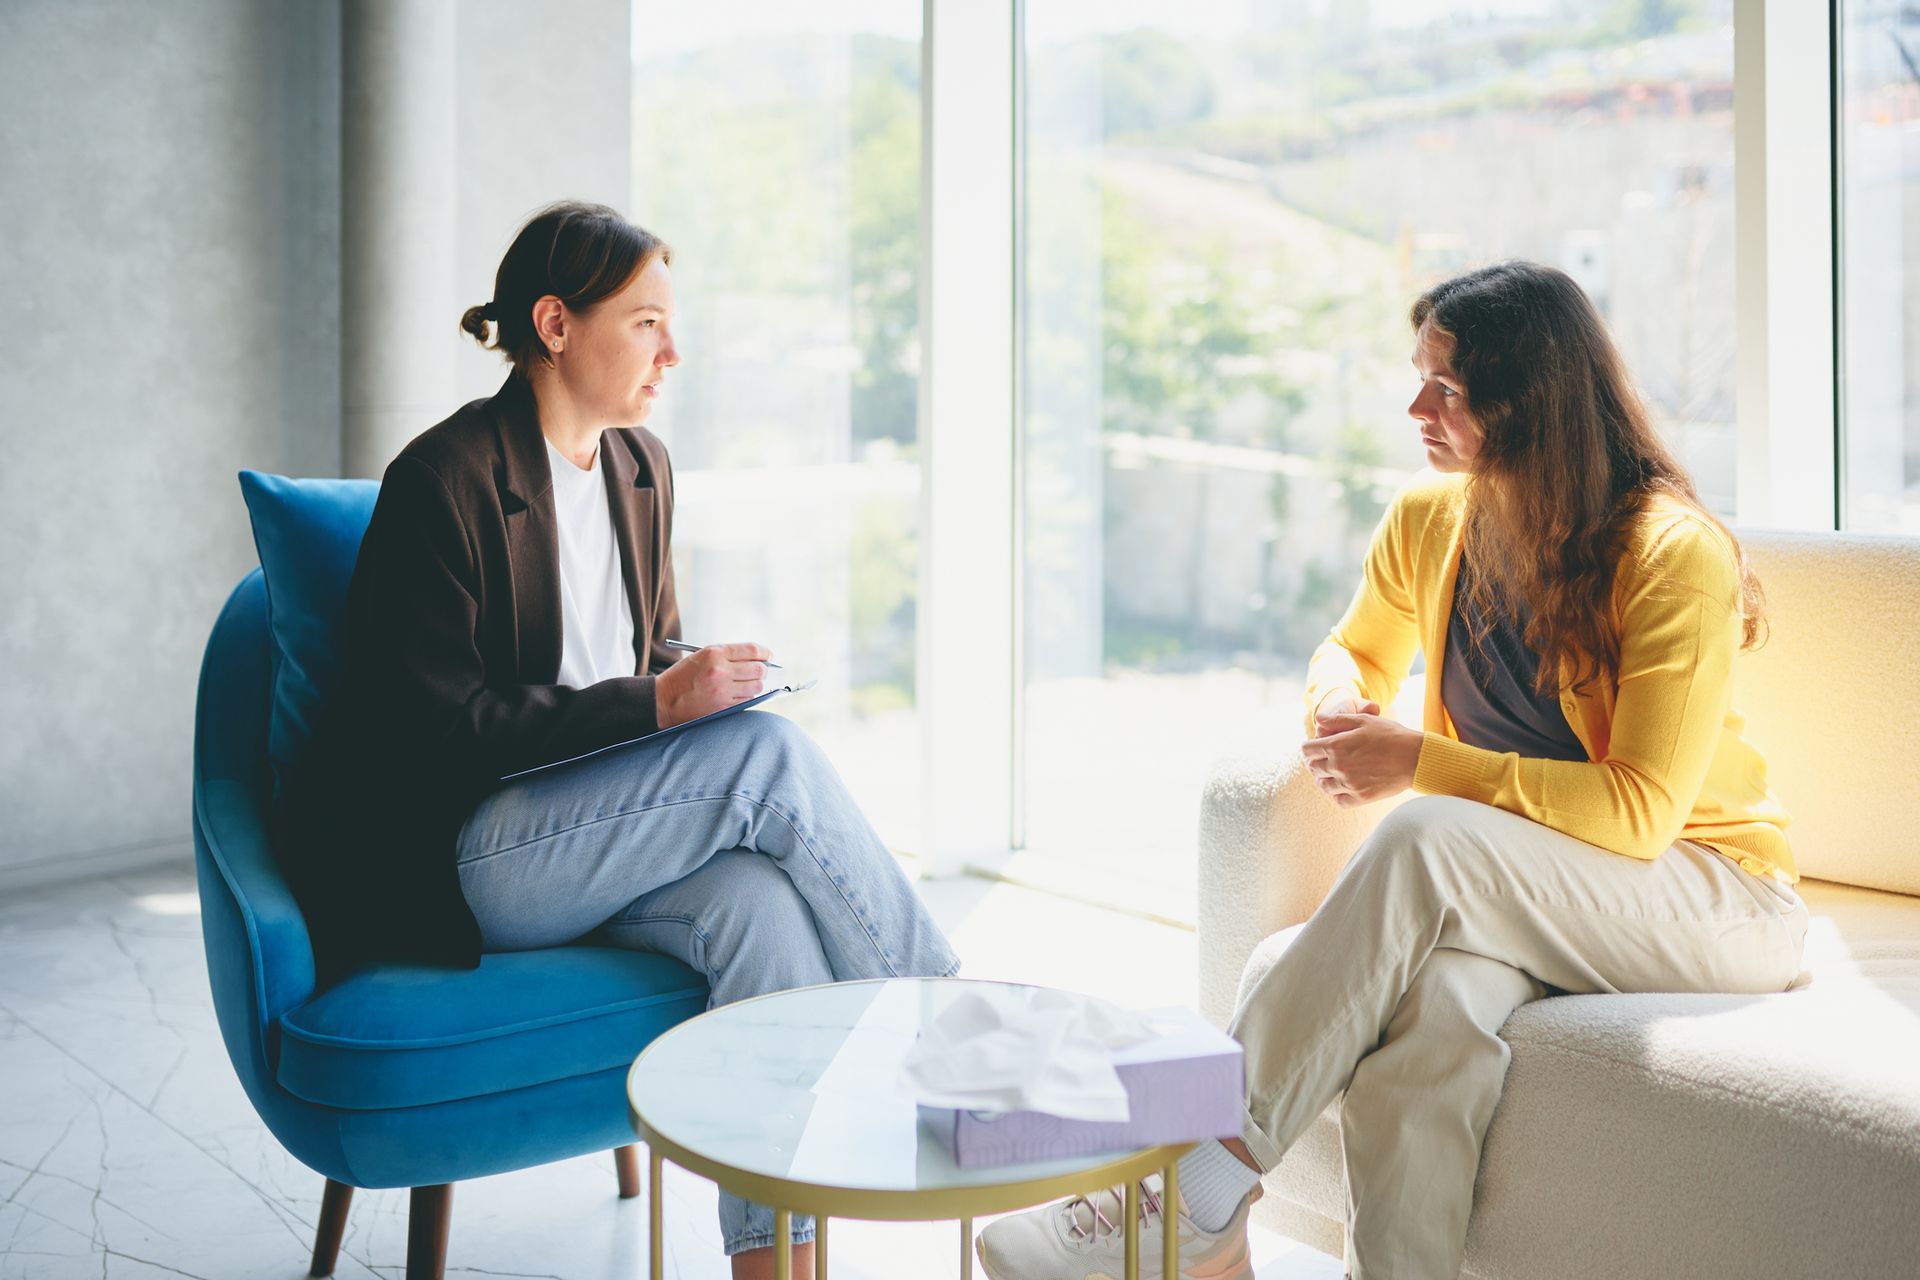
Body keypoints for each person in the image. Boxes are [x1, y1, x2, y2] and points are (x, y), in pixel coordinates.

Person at [976, 260, 1805, 1280]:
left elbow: (1638, 812)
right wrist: (1336, 696)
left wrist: (1418, 757)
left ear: (1528, 400)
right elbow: (1354, 647)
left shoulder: (1669, 552)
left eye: (1446, 388)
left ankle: (1196, 1179)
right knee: (1434, 1022)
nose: (1416, 405)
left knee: (1420, 828)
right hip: (1540, 887)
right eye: (1419, 376)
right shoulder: (1432, 516)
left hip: (1711, 893)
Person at [281, 201, 958, 1280]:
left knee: (761, 910)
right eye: (645, 323)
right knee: (771, 760)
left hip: (601, 837)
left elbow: (637, 654)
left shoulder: (642, 470)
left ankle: (773, 1265)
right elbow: (439, 730)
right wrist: (660, 709)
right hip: (467, 855)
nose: (672, 351)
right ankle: (961, 1051)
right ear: (555, 324)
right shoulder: (443, 481)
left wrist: (702, 683)